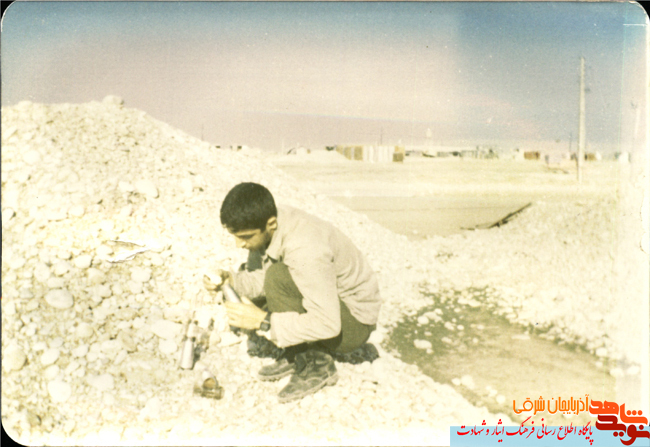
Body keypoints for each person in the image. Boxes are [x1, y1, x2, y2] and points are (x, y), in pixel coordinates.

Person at [204, 182, 381, 402]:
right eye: (235, 235)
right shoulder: (269, 222)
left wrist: (263, 322)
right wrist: (231, 281)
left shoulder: (305, 248)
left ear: (270, 223)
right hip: (330, 303)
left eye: (246, 236)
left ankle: (317, 365)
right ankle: (296, 353)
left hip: (353, 324)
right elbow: (263, 278)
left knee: (277, 277)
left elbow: (328, 323)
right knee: (267, 283)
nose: (238, 244)